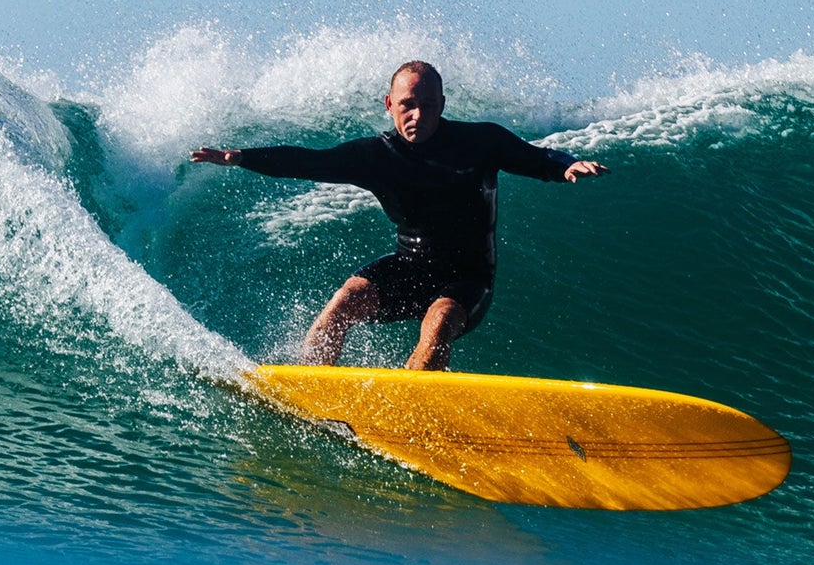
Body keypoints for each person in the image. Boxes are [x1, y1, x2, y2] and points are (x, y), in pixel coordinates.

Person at [190, 61, 608, 370]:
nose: (418, 115)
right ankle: (309, 389)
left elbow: (536, 158)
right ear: (390, 104)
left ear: (442, 105)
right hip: (410, 266)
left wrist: (565, 166)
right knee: (343, 303)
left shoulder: (480, 142)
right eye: (408, 105)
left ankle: (416, 408)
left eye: (429, 105)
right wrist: (241, 157)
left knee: (439, 322)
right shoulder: (376, 155)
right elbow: (309, 161)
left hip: (469, 277)